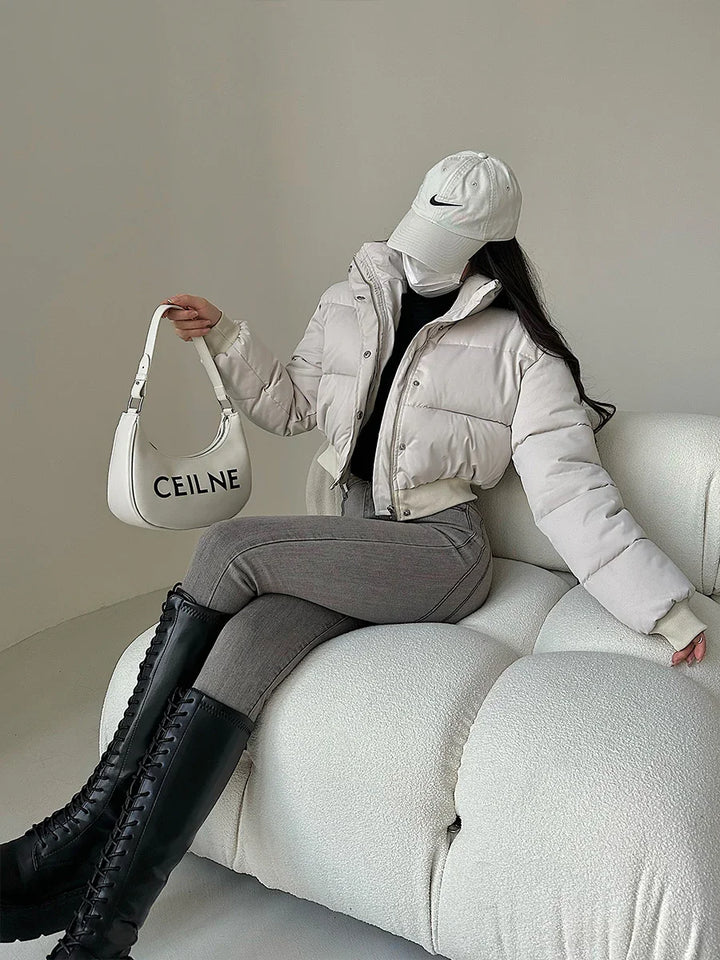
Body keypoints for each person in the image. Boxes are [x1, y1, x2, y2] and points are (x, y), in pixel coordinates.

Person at [0, 150, 708, 959]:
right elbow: (299, 402)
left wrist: (662, 604)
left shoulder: (521, 350)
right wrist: (227, 338)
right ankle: (102, 929)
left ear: (487, 245)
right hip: (348, 540)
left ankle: (76, 831)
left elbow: (570, 492)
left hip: (436, 555)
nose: (419, 250)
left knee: (230, 547)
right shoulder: (355, 298)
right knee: (240, 651)